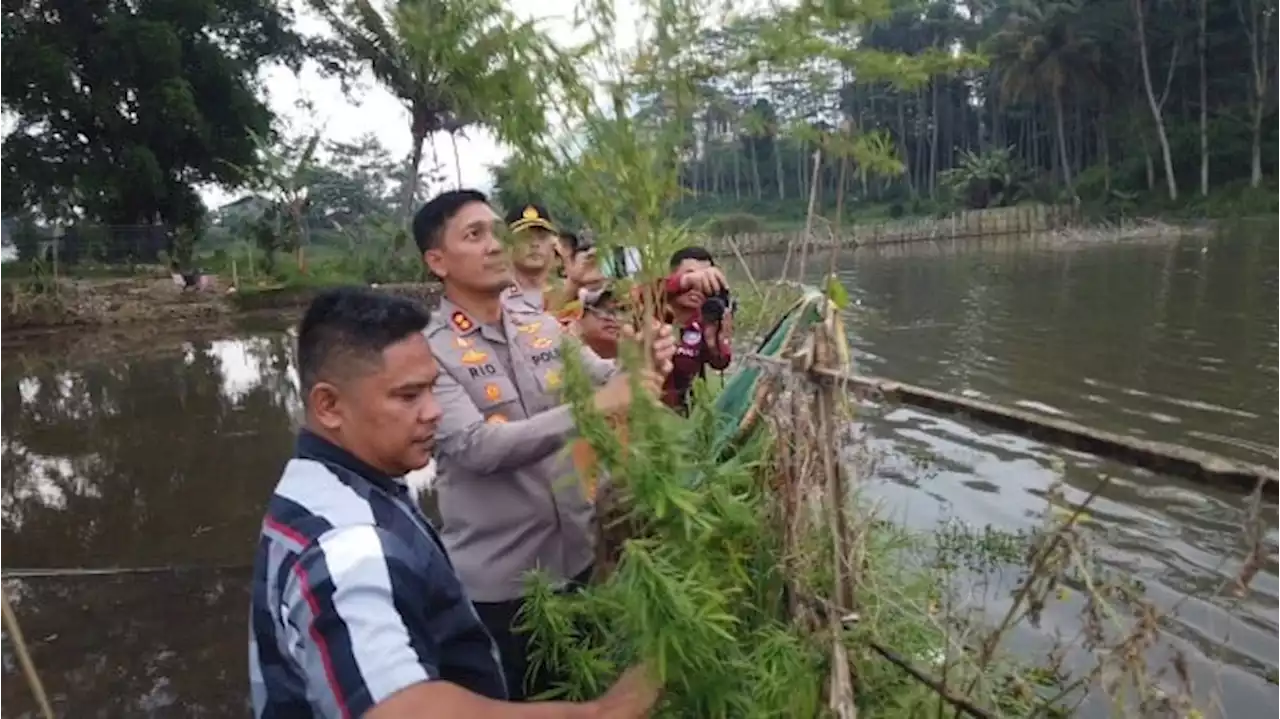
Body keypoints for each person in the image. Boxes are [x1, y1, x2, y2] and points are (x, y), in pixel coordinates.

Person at [248, 286, 661, 718]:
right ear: (329, 405)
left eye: (431, 390)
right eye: (408, 396)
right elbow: (398, 709)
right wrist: (599, 713)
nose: (434, 412)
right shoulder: (346, 546)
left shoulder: (324, 483)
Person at [413, 189, 675, 702]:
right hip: (502, 589)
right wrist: (592, 408)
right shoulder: (428, 349)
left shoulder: (540, 326)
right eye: (474, 235)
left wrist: (642, 359)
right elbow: (477, 446)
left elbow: (606, 378)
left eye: (495, 232)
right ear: (436, 260)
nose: (494, 246)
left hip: (577, 560)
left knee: (586, 693)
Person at [661, 246, 733, 414]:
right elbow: (636, 295)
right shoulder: (652, 308)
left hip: (684, 410)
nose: (697, 286)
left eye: (705, 278)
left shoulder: (704, 318)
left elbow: (720, 362)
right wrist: (686, 281)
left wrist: (714, 341)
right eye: (691, 274)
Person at [505, 203, 560, 313]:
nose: (535, 244)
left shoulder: (569, 293)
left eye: (542, 237)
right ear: (508, 244)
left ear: (553, 243)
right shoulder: (495, 299)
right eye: (525, 237)